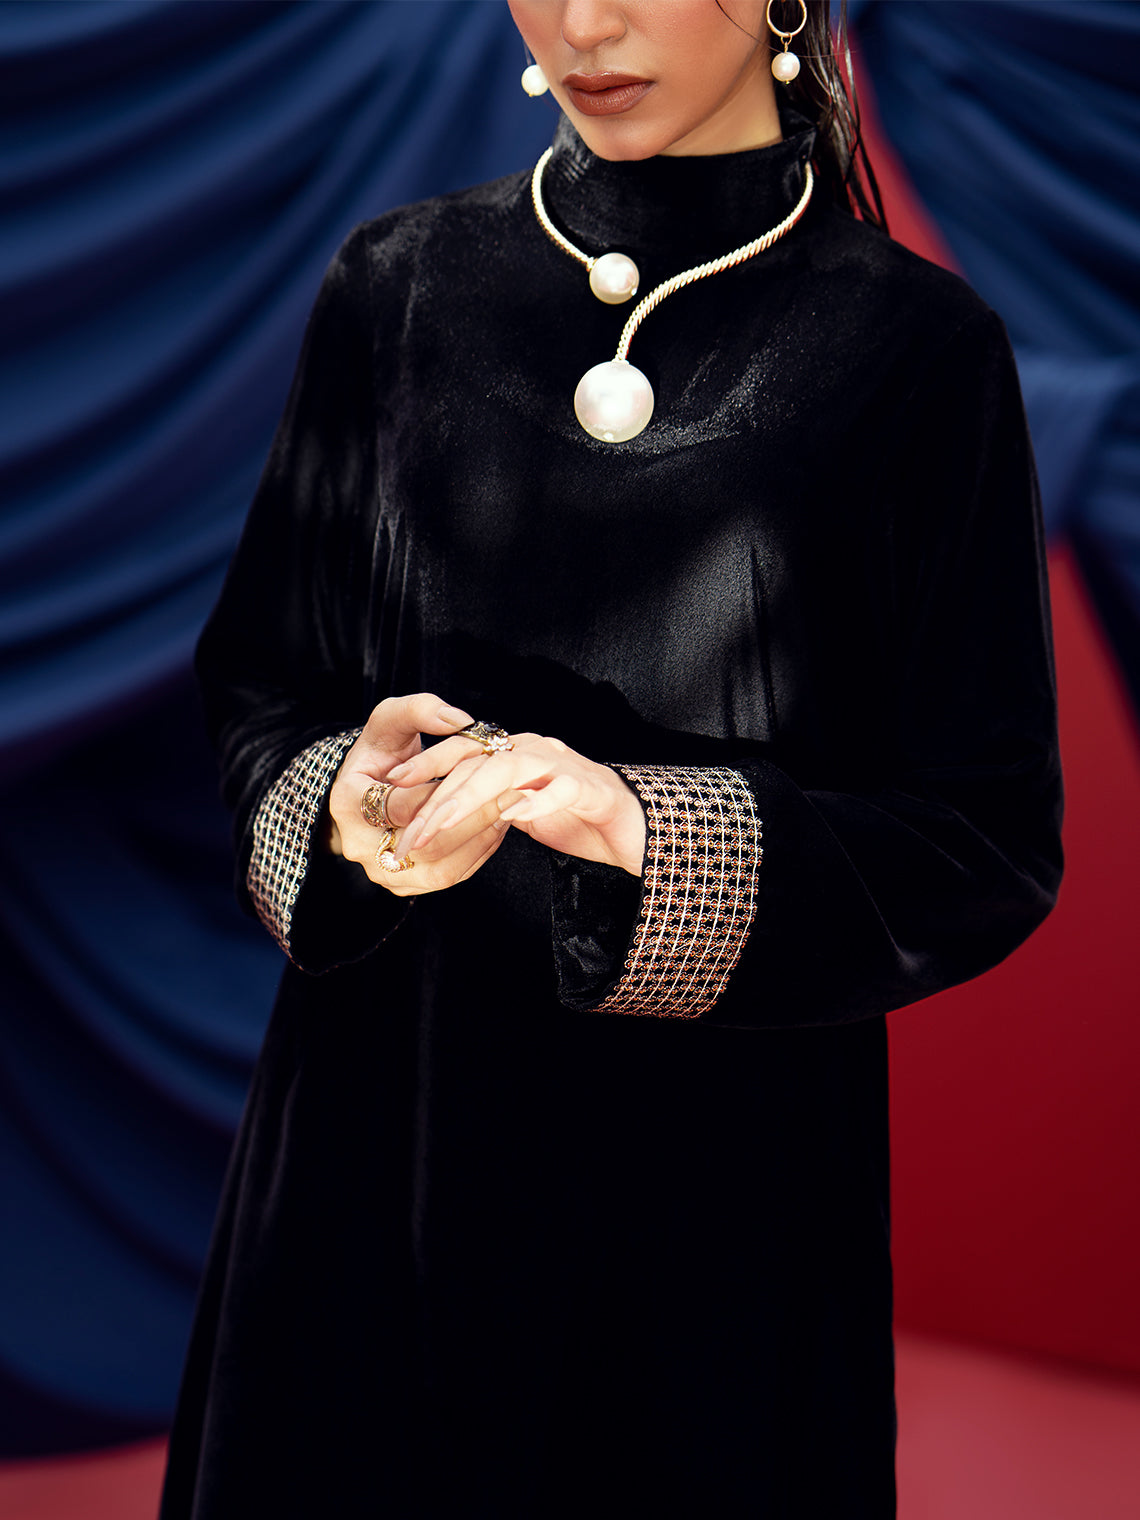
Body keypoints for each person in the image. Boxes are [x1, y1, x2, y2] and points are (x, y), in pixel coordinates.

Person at [160, 2, 1062, 1516]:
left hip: (719, 1217)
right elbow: (263, 682)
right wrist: (342, 803)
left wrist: (645, 829)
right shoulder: (397, 285)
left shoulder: (917, 348)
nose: (586, 24)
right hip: (375, 1158)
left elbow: (986, 838)